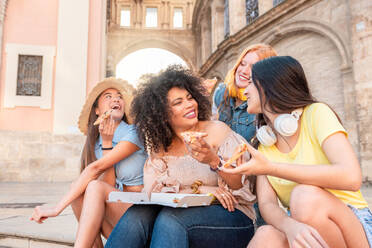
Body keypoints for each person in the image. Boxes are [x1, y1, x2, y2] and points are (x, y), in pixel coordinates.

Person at [222, 56, 372, 247]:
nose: (245, 90)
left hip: (352, 224)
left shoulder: (316, 113)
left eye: (251, 83)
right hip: (303, 225)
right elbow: (267, 204)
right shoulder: (265, 143)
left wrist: (271, 168)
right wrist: (289, 226)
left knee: (304, 197)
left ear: (269, 86)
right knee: (266, 234)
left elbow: (351, 177)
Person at [105, 65, 256, 248]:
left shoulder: (217, 131)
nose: (189, 105)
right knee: (138, 214)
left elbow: (240, 185)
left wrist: (213, 161)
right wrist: (201, 189)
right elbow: (154, 194)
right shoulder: (160, 148)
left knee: (171, 219)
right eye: (178, 103)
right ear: (162, 114)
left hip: (232, 217)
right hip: (182, 218)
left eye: (190, 98)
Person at [30, 78, 147, 248]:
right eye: (108, 96)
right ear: (98, 111)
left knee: (92, 185)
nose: (116, 99)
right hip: (118, 216)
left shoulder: (135, 133)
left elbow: (96, 169)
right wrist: (107, 143)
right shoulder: (99, 143)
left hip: (141, 213)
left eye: (119, 96)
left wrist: (56, 209)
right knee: (78, 191)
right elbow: (107, 186)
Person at [213, 43, 277, 143]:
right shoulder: (221, 92)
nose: (244, 71)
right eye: (242, 64)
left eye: (253, 68)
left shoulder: (266, 105)